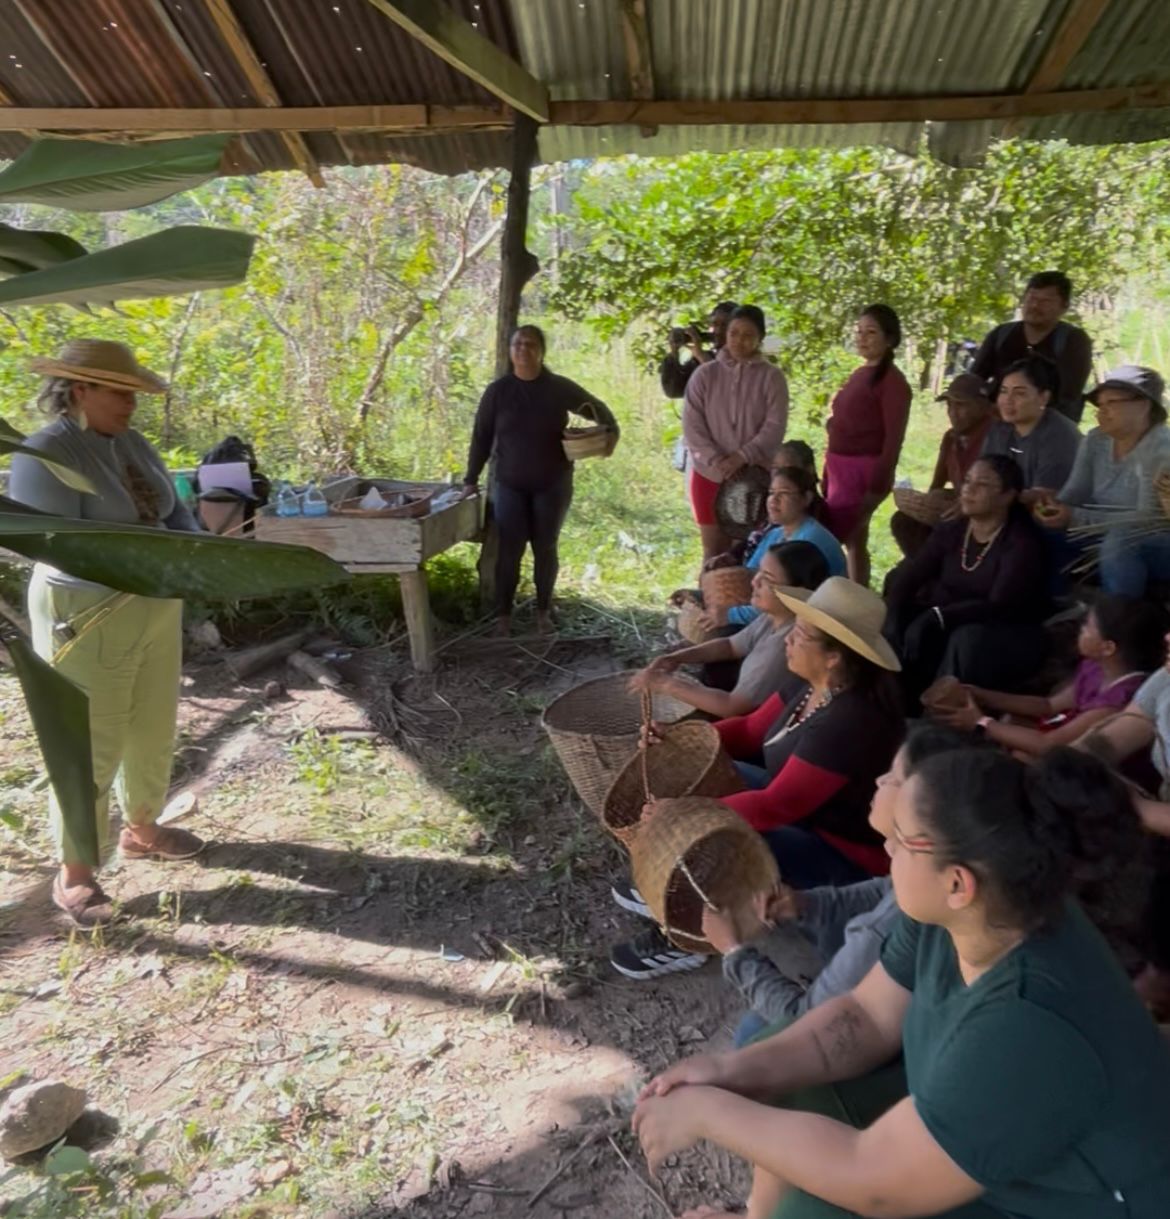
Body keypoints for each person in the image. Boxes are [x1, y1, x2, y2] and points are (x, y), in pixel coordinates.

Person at [633, 746, 1170, 1219]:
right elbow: (862, 1020)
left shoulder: (1031, 1023)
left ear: (958, 882)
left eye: (901, 840)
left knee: (814, 1207)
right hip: (1003, 1156)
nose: (885, 845)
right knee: (774, 1064)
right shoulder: (970, 913)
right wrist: (729, 1071)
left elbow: (875, 1179)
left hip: (1063, 1203)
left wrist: (708, 1113)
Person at [610, 578, 904, 981]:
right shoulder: (808, 683)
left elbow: (775, 806)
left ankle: (687, 934)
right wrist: (677, 740)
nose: (788, 639)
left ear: (834, 657)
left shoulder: (851, 722)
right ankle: (680, 888)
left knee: (726, 838)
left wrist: (686, 815)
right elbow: (749, 731)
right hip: (806, 816)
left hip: (848, 855)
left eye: (800, 634)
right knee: (703, 782)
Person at [7, 339, 205, 928]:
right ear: (79, 389)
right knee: (88, 739)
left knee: (152, 723)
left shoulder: (129, 443)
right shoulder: (43, 453)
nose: (131, 404)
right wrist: (151, 557)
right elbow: (52, 540)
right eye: (120, 392)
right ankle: (75, 871)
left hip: (154, 600)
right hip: (86, 610)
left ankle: (141, 828)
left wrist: (202, 548)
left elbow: (173, 510)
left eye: (134, 393)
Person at [709, 725, 983, 1049]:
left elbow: (804, 1021)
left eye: (893, 779)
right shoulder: (929, 876)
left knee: (753, 1032)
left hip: (864, 1044)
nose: (879, 781)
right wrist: (807, 904)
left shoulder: (886, 931)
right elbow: (885, 890)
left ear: (919, 802)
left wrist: (733, 952)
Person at [462, 324, 618, 635]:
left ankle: (543, 614)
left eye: (530, 344)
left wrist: (608, 433)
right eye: (517, 343)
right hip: (509, 484)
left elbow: (600, 411)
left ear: (541, 351)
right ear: (510, 351)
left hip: (553, 483)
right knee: (510, 550)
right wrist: (470, 479)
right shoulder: (498, 392)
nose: (523, 349)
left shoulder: (558, 388)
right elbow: (481, 437)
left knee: (545, 548)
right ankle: (503, 618)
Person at [886, 455, 1052, 707]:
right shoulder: (954, 530)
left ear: (1007, 496)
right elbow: (912, 574)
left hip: (1005, 629)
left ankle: (940, 713)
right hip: (954, 616)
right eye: (967, 481)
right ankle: (891, 702)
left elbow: (999, 606)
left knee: (966, 639)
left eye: (982, 484)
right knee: (895, 604)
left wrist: (938, 616)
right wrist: (894, 611)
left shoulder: (1020, 543)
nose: (968, 490)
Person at [932, 595, 1167, 756]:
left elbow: (1052, 745)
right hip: (1064, 737)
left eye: (1087, 627)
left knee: (1024, 754)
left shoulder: (1121, 699)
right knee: (1010, 722)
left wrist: (980, 723)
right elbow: (1048, 705)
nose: (1080, 630)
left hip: (1094, 762)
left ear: (1108, 648)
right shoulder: (1096, 667)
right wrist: (981, 695)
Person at [630, 541, 830, 720]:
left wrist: (665, 684)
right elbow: (731, 646)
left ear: (796, 592)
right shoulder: (775, 617)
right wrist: (676, 658)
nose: (754, 581)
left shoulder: (786, 644)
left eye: (767, 579)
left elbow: (732, 707)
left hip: (754, 733)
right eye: (759, 571)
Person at [683, 305, 789, 561]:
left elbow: (774, 427)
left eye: (748, 335)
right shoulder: (705, 374)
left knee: (742, 553)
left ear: (760, 338)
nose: (739, 341)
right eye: (734, 333)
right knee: (711, 551)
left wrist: (742, 457)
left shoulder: (772, 378)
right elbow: (692, 425)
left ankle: (739, 602)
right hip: (708, 473)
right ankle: (708, 601)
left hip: (752, 476)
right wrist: (717, 460)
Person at [822, 304, 912, 588]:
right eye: (859, 332)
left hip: (861, 474)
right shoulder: (861, 373)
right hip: (839, 469)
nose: (862, 338)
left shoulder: (893, 383)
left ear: (889, 338)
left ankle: (833, 596)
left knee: (833, 536)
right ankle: (854, 594)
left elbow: (893, 440)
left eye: (870, 332)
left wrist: (876, 485)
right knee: (855, 540)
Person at [708, 468, 846, 631]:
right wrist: (730, 563)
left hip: (810, 620)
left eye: (784, 493)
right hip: (776, 609)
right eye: (772, 493)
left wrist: (730, 615)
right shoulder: (777, 533)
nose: (774, 500)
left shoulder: (809, 541)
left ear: (806, 498)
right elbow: (751, 574)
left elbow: (784, 604)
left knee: (718, 629)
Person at [1076, 366, 1170, 597]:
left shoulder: (1161, 448)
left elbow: (1149, 519)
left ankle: (1118, 625)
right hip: (1111, 527)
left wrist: (1076, 516)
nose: (1101, 412)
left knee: (1122, 542)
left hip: (1148, 538)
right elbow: (1076, 492)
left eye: (1112, 403)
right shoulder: (1096, 440)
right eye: (1100, 405)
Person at [889, 373, 994, 558]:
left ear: (983, 407)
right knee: (903, 522)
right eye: (949, 405)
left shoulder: (996, 438)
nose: (952, 412)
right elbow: (937, 484)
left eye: (961, 405)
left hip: (984, 520)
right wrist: (923, 504)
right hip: (956, 514)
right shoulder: (951, 438)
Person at [970, 270, 1093, 421]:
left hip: (1049, 429)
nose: (1035, 306)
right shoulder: (1001, 335)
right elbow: (974, 380)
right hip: (999, 424)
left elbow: (1069, 394)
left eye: (1045, 301)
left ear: (1064, 307)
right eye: (1031, 298)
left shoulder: (1074, 341)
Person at [979, 356, 1082, 502]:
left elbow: (1044, 498)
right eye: (1003, 391)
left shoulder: (1060, 436)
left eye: (1019, 393)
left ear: (1043, 398)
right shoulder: (1000, 430)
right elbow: (983, 474)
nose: (1008, 400)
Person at [660, 300, 737, 398]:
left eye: (724, 326)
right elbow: (674, 391)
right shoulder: (707, 357)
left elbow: (729, 385)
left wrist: (701, 355)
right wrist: (674, 353)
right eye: (715, 324)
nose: (718, 331)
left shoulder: (745, 360)